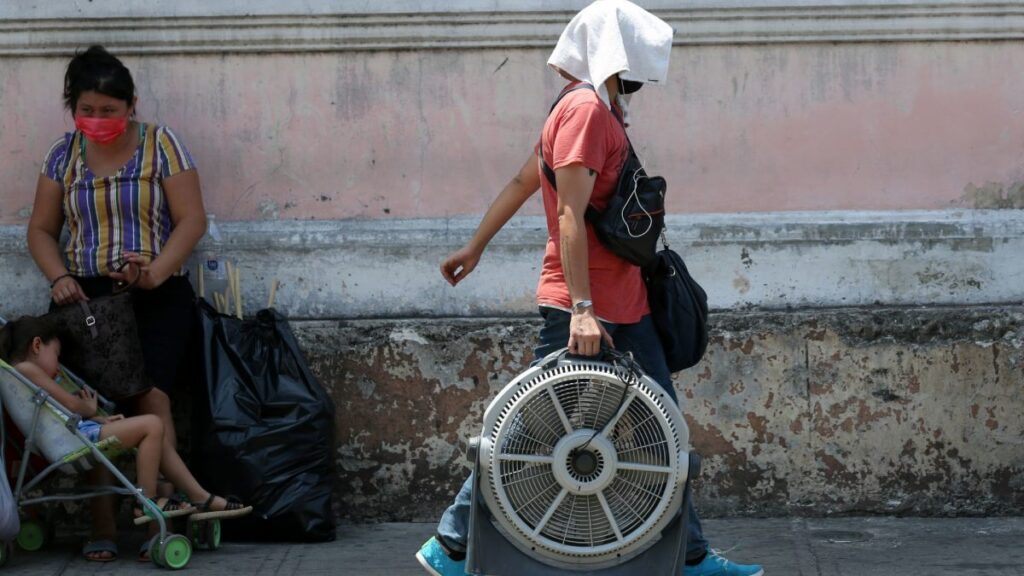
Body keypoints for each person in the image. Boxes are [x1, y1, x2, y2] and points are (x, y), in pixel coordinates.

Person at [417, 2, 764, 575]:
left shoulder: (594, 109)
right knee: (530, 429)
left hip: (624, 304)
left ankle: (694, 556)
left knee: (662, 433)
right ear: (618, 55)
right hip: (586, 306)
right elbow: (570, 215)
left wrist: (474, 247)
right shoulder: (582, 112)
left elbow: (522, 181)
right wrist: (581, 310)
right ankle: (450, 544)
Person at [24, 45, 228, 562]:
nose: (97, 120)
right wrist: (60, 276)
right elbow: (42, 231)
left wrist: (154, 272)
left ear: (131, 105)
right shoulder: (62, 155)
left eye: (108, 111)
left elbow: (192, 220)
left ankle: (165, 510)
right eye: (87, 110)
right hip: (86, 302)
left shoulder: (162, 145)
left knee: (151, 398)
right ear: (74, 108)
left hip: (155, 295)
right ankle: (103, 524)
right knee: (97, 411)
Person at [0, 316, 252, 561]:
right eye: (56, 354)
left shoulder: (21, 371)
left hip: (77, 434)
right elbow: (72, 404)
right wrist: (89, 408)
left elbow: (56, 412)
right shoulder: (27, 369)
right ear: (36, 345)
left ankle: (200, 496)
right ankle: (147, 501)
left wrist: (95, 419)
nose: (57, 363)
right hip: (75, 441)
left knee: (155, 432)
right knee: (152, 423)